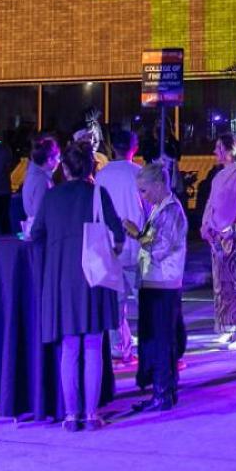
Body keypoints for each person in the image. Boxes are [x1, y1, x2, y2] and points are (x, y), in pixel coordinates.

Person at [30, 138, 125, 429]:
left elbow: (35, 235)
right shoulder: (97, 193)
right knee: (94, 344)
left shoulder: (52, 197)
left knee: (70, 347)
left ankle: (71, 416)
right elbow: (118, 234)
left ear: (65, 168)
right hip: (93, 277)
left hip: (61, 278)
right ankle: (92, 414)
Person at [129, 160, 188, 411]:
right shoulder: (159, 209)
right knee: (157, 339)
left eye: (144, 190)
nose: (142, 196)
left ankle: (163, 392)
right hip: (154, 283)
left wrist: (136, 235)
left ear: (157, 185)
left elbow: (160, 248)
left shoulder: (171, 211)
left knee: (162, 340)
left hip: (163, 285)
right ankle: (162, 390)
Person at [95, 126, 146, 361]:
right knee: (144, 298)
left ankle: (118, 346)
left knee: (116, 303)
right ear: (134, 148)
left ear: (112, 148)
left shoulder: (102, 176)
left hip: (110, 246)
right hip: (136, 246)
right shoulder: (139, 173)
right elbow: (148, 209)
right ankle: (148, 343)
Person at [200, 132, 236, 348]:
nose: (215, 151)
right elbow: (211, 203)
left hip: (231, 232)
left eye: (219, 147)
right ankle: (227, 325)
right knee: (222, 281)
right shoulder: (222, 174)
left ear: (229, 150)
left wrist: (214, 225)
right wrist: (206, 226)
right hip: (218, 232)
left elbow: (230, 207)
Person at [20, 135, 58, 234]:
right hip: (40, 231)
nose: (58, 161)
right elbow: (40, 212)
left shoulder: (32, 175)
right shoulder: (42, 180)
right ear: (49, 159)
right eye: (57, 158)